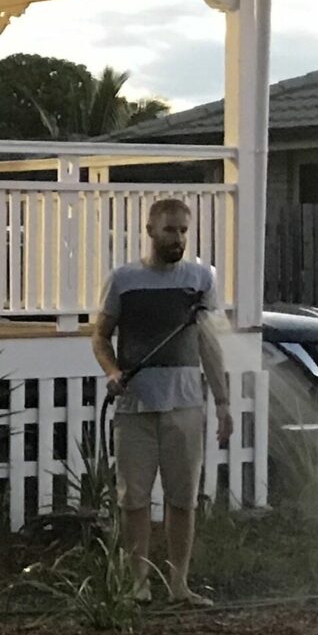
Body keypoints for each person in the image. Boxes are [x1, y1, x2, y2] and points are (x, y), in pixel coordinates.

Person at [89, 197, 232, 603]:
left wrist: (222, 402)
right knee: (133, 500)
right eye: (170, 230)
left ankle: (178, 585)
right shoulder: (123, 280)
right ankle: (137, 584)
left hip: (186, 405)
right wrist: (114, 372)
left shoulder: (201, 278)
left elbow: (210, 344)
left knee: (182, 500)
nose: (178, 238)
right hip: (135, 405)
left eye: (184, 230)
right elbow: (100, 336)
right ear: (151, 231)